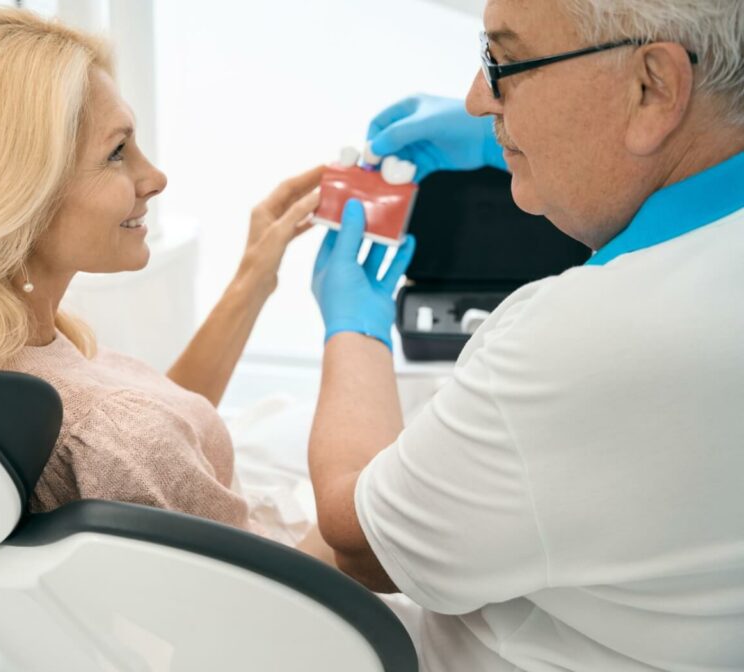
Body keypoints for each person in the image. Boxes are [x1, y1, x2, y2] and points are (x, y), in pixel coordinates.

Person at [308, 0, 744, 669]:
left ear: (652, 87)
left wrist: (354, 324)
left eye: (503, 62)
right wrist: (512, 141)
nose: (478, 98)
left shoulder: (588, 339)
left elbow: (360, 541)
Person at [0, 8, 342, 554]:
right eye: (116, 152)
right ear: (15, 196)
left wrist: (254, 276)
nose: (154, 178)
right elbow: (273, 610)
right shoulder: (113, 436)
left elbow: (154, 427)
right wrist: (366, 511)